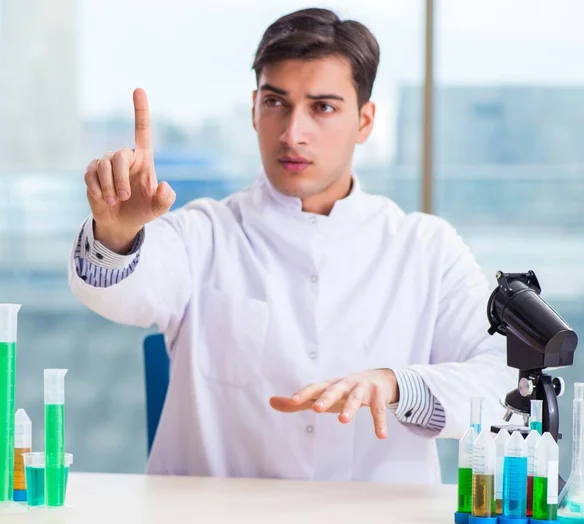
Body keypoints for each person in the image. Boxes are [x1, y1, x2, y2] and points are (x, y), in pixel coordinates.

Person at [68, 8, 514, 483]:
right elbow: (120, 294)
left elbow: (505, 382)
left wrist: (396, 384)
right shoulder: (205, 232)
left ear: (365, 122)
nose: (291, 133)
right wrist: (115, 233)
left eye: (322, 107)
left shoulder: (426, 248)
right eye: (276, 102)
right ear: (254, 109)